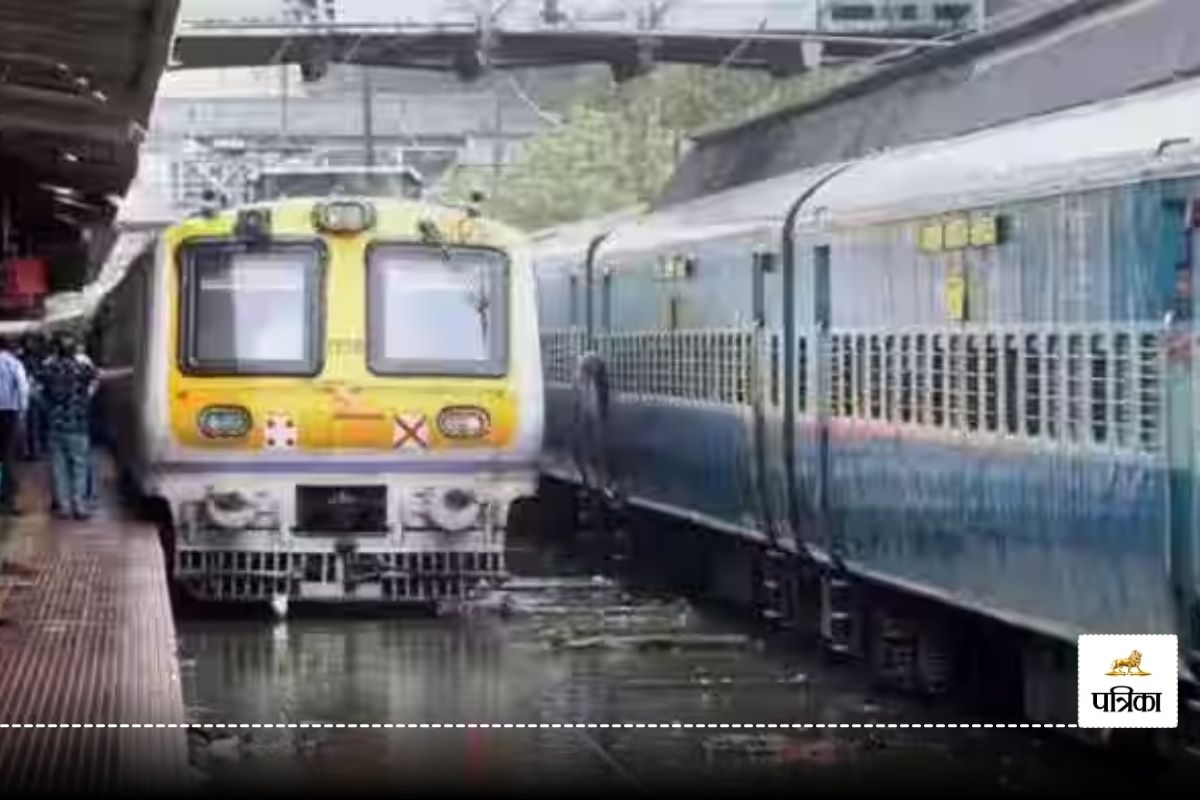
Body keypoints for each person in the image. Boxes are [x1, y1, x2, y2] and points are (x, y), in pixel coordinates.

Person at [37, 332, 97, 521]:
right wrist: (85, 400)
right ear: (74, 350)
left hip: (55, 424)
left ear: (56, 350)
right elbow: (95, 382)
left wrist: (47, 407)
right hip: (78, 424)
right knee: (79, 466)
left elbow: (36, 391)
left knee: (58, 467)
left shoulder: (48, 369)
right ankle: (79, 506)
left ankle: (63, 506)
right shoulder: (83, 369)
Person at [0, 337, 30, 516]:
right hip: (9, 413)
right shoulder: (14, 363)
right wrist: (22, 412)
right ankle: (9, 499)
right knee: (8, 456)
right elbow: (23, 388)